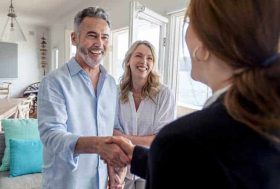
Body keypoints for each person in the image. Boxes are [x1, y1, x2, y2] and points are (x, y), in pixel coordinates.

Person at [108, 0, 280, 188]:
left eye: (190, 22)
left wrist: (162, 153)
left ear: (204, 46)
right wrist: (139, 157)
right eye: (138, 56)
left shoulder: (181, 140)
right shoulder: (265, 116)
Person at [37, 7, 130, 189]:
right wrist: (98, 145)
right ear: (74, 38)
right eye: (92, 35)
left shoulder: (111, 85)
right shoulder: (54, 82)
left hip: (101, 182)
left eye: (104, 37)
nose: (99, 43)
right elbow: (51, 135)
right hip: (66, 183)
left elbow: (113, 130)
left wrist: (114, 170)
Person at [110, 40, 175, 189]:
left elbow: (160, 139)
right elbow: (112, 129)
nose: (144, 61)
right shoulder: (116, 92)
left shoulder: (164, 94)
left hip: (150, 167)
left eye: (149, 58)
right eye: (138, 55)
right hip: (122, 167)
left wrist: (125, 139)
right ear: (128, 61)